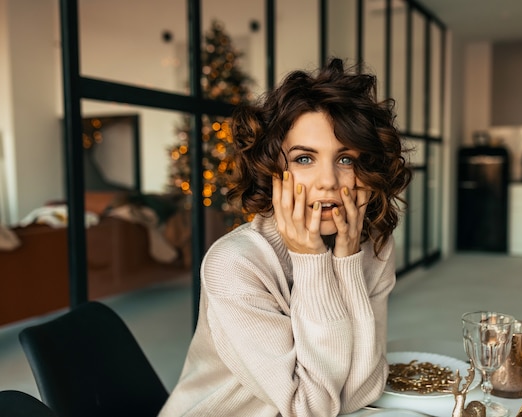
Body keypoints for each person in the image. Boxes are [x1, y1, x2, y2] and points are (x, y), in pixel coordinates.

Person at [158, 58, 412, 417]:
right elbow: (310, 407)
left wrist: (347, 262)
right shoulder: (234, 264)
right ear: (273, 167)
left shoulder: (373, 247)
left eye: (346, 159)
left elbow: (364, 390)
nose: (328, 181)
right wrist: (310, 258)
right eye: (305, 158)